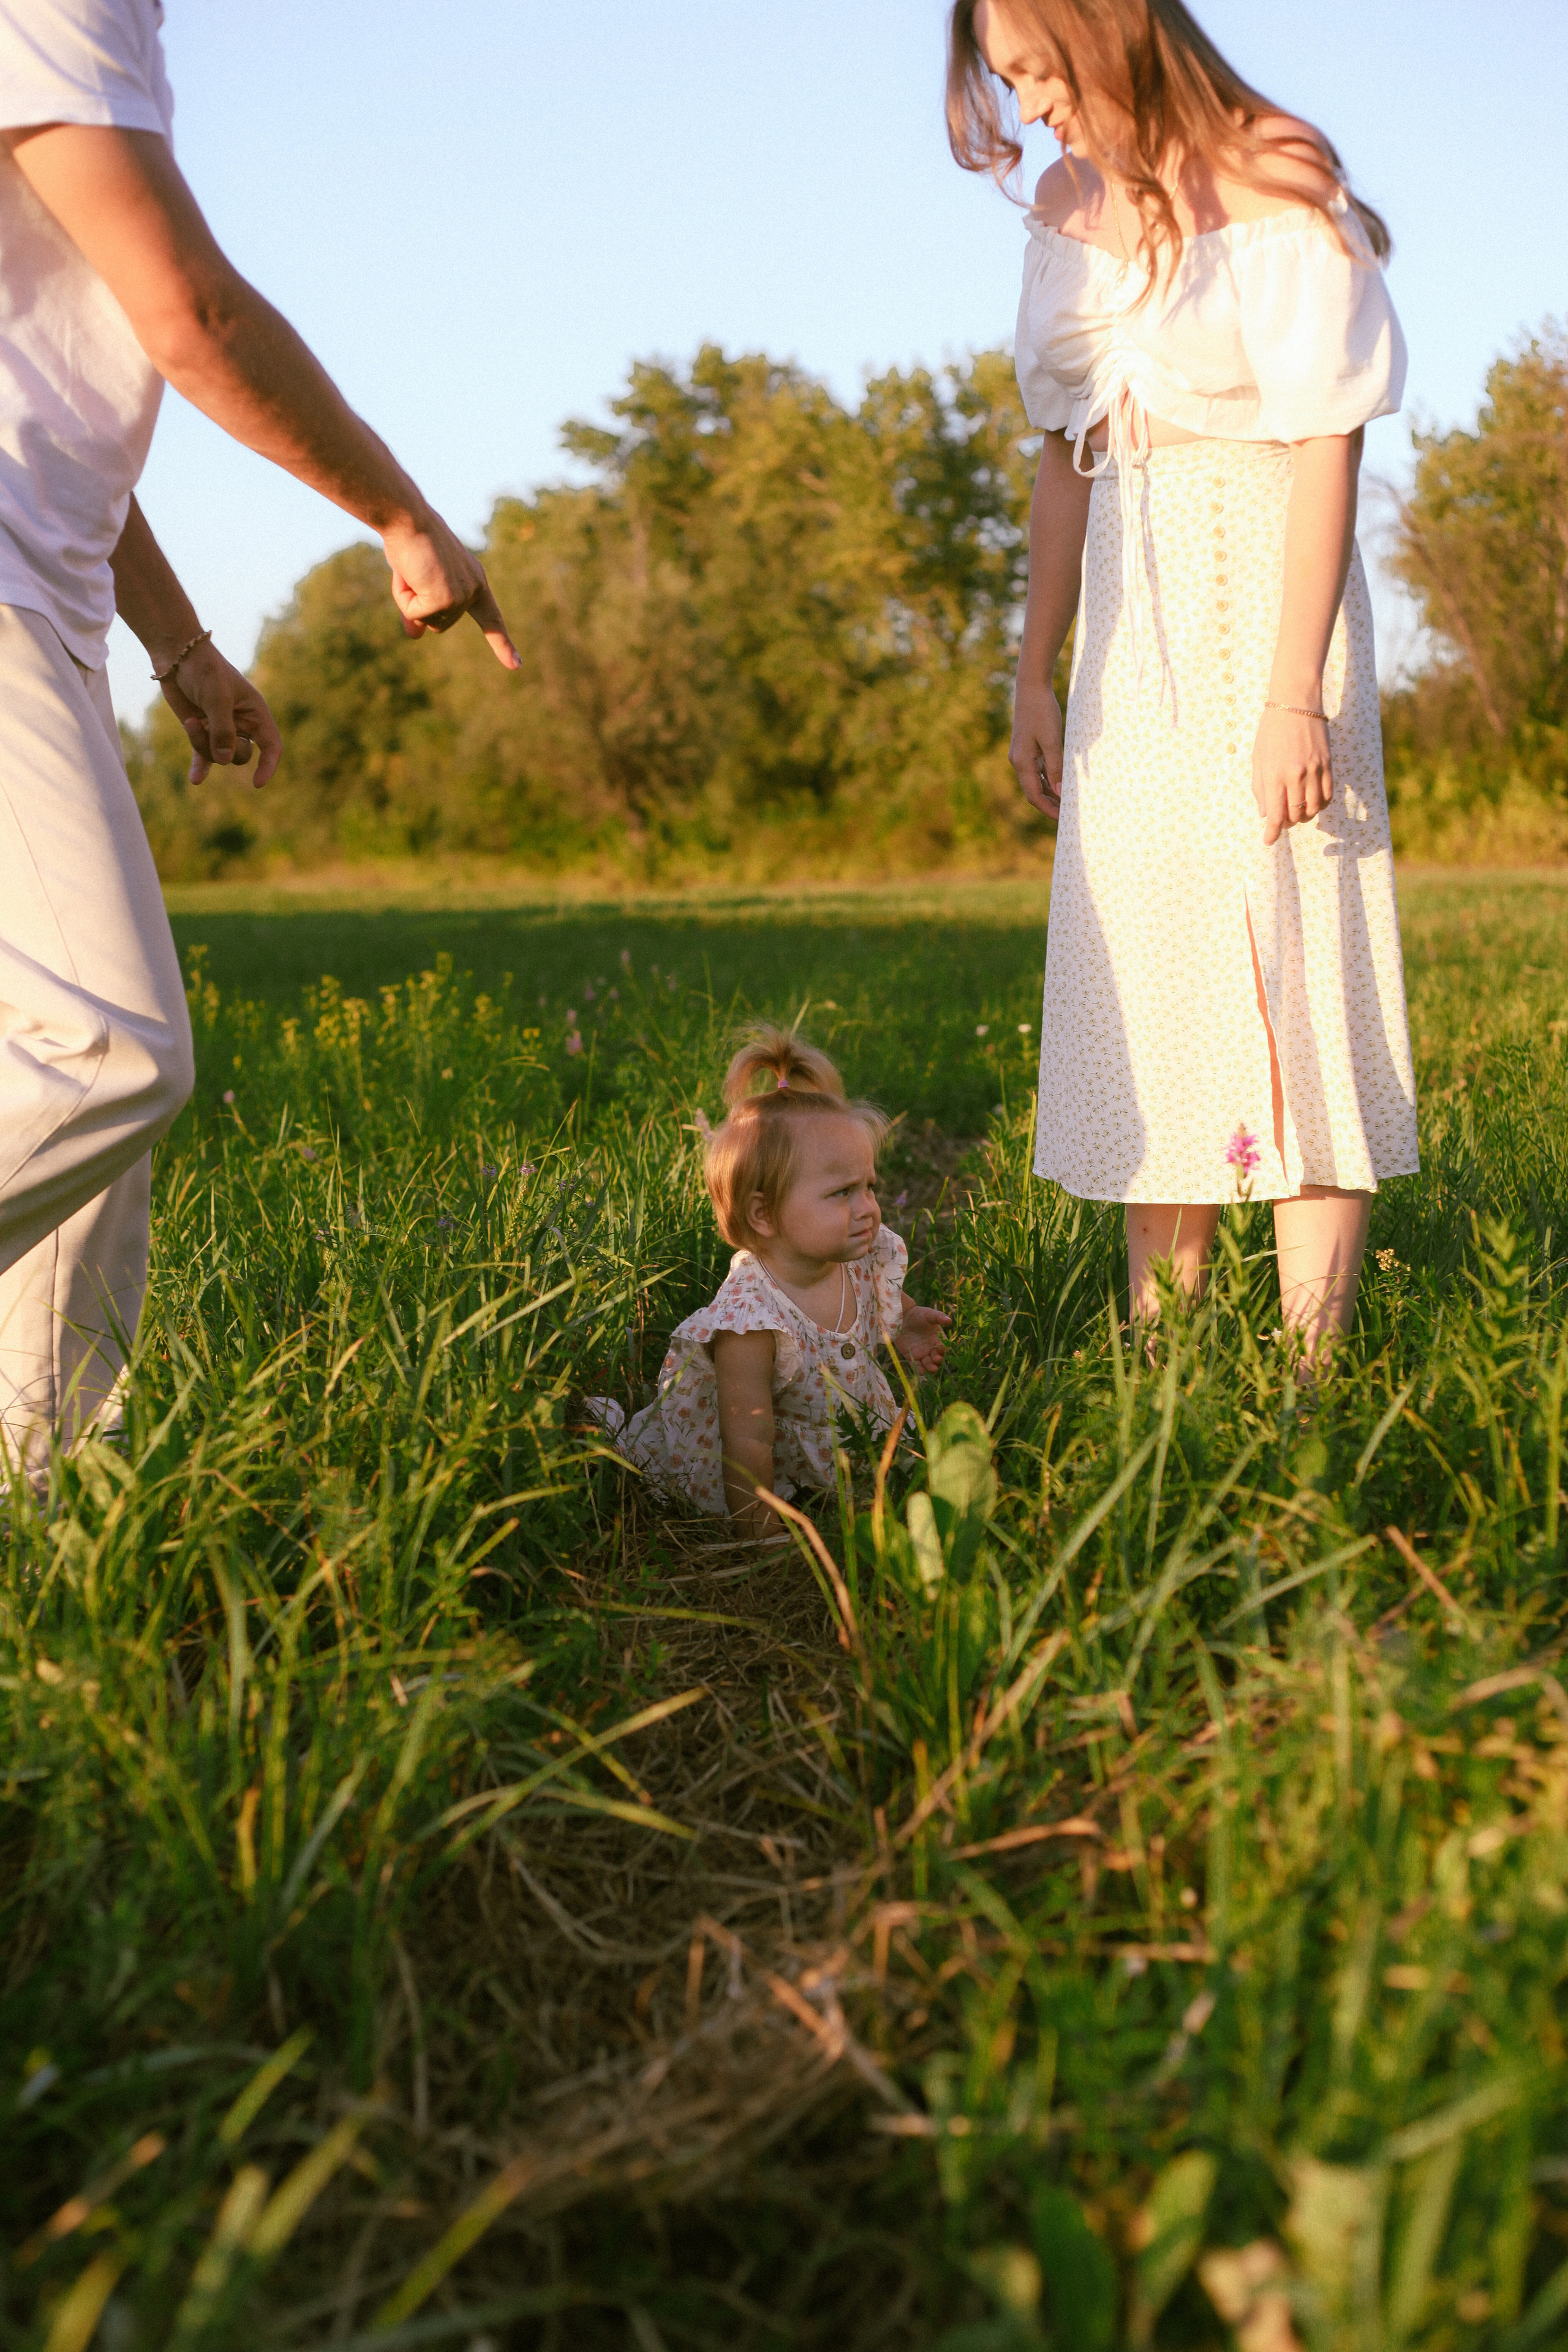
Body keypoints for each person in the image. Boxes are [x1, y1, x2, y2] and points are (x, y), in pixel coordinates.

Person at [0, 0, 515, 1482]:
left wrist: (177, 641)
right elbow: (191, 312)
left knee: (88, 1132)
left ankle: (49, 1515)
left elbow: (56, 395)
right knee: (103, 1052)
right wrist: (397, 509)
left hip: (45, 589)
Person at [948, 0, 1419, 1360]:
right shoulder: (1061, 199)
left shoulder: (1277, 173)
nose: (1029, 104)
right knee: (1150, 962)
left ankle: (1310, 1372)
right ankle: (1165, 1359)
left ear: (1104, 29)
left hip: (1271, 603)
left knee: (1299, 956)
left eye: (1035, 69)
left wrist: (1293, 696)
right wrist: (1032, 669)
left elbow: (1326, 441)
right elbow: (1060, 457)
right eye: (1007, 80)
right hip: (1126, 620)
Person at [591, 1029, 950, 1530]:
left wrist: (906, 1320)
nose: (868, 1207)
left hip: (842, 1430)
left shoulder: (859, 1257)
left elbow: (882, 1296)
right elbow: (748, 1439)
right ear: (764, 1215)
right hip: (769, 1461)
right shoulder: (752, 1321)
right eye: (843, 1192)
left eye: (870, 1186)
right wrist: (760, 1531)